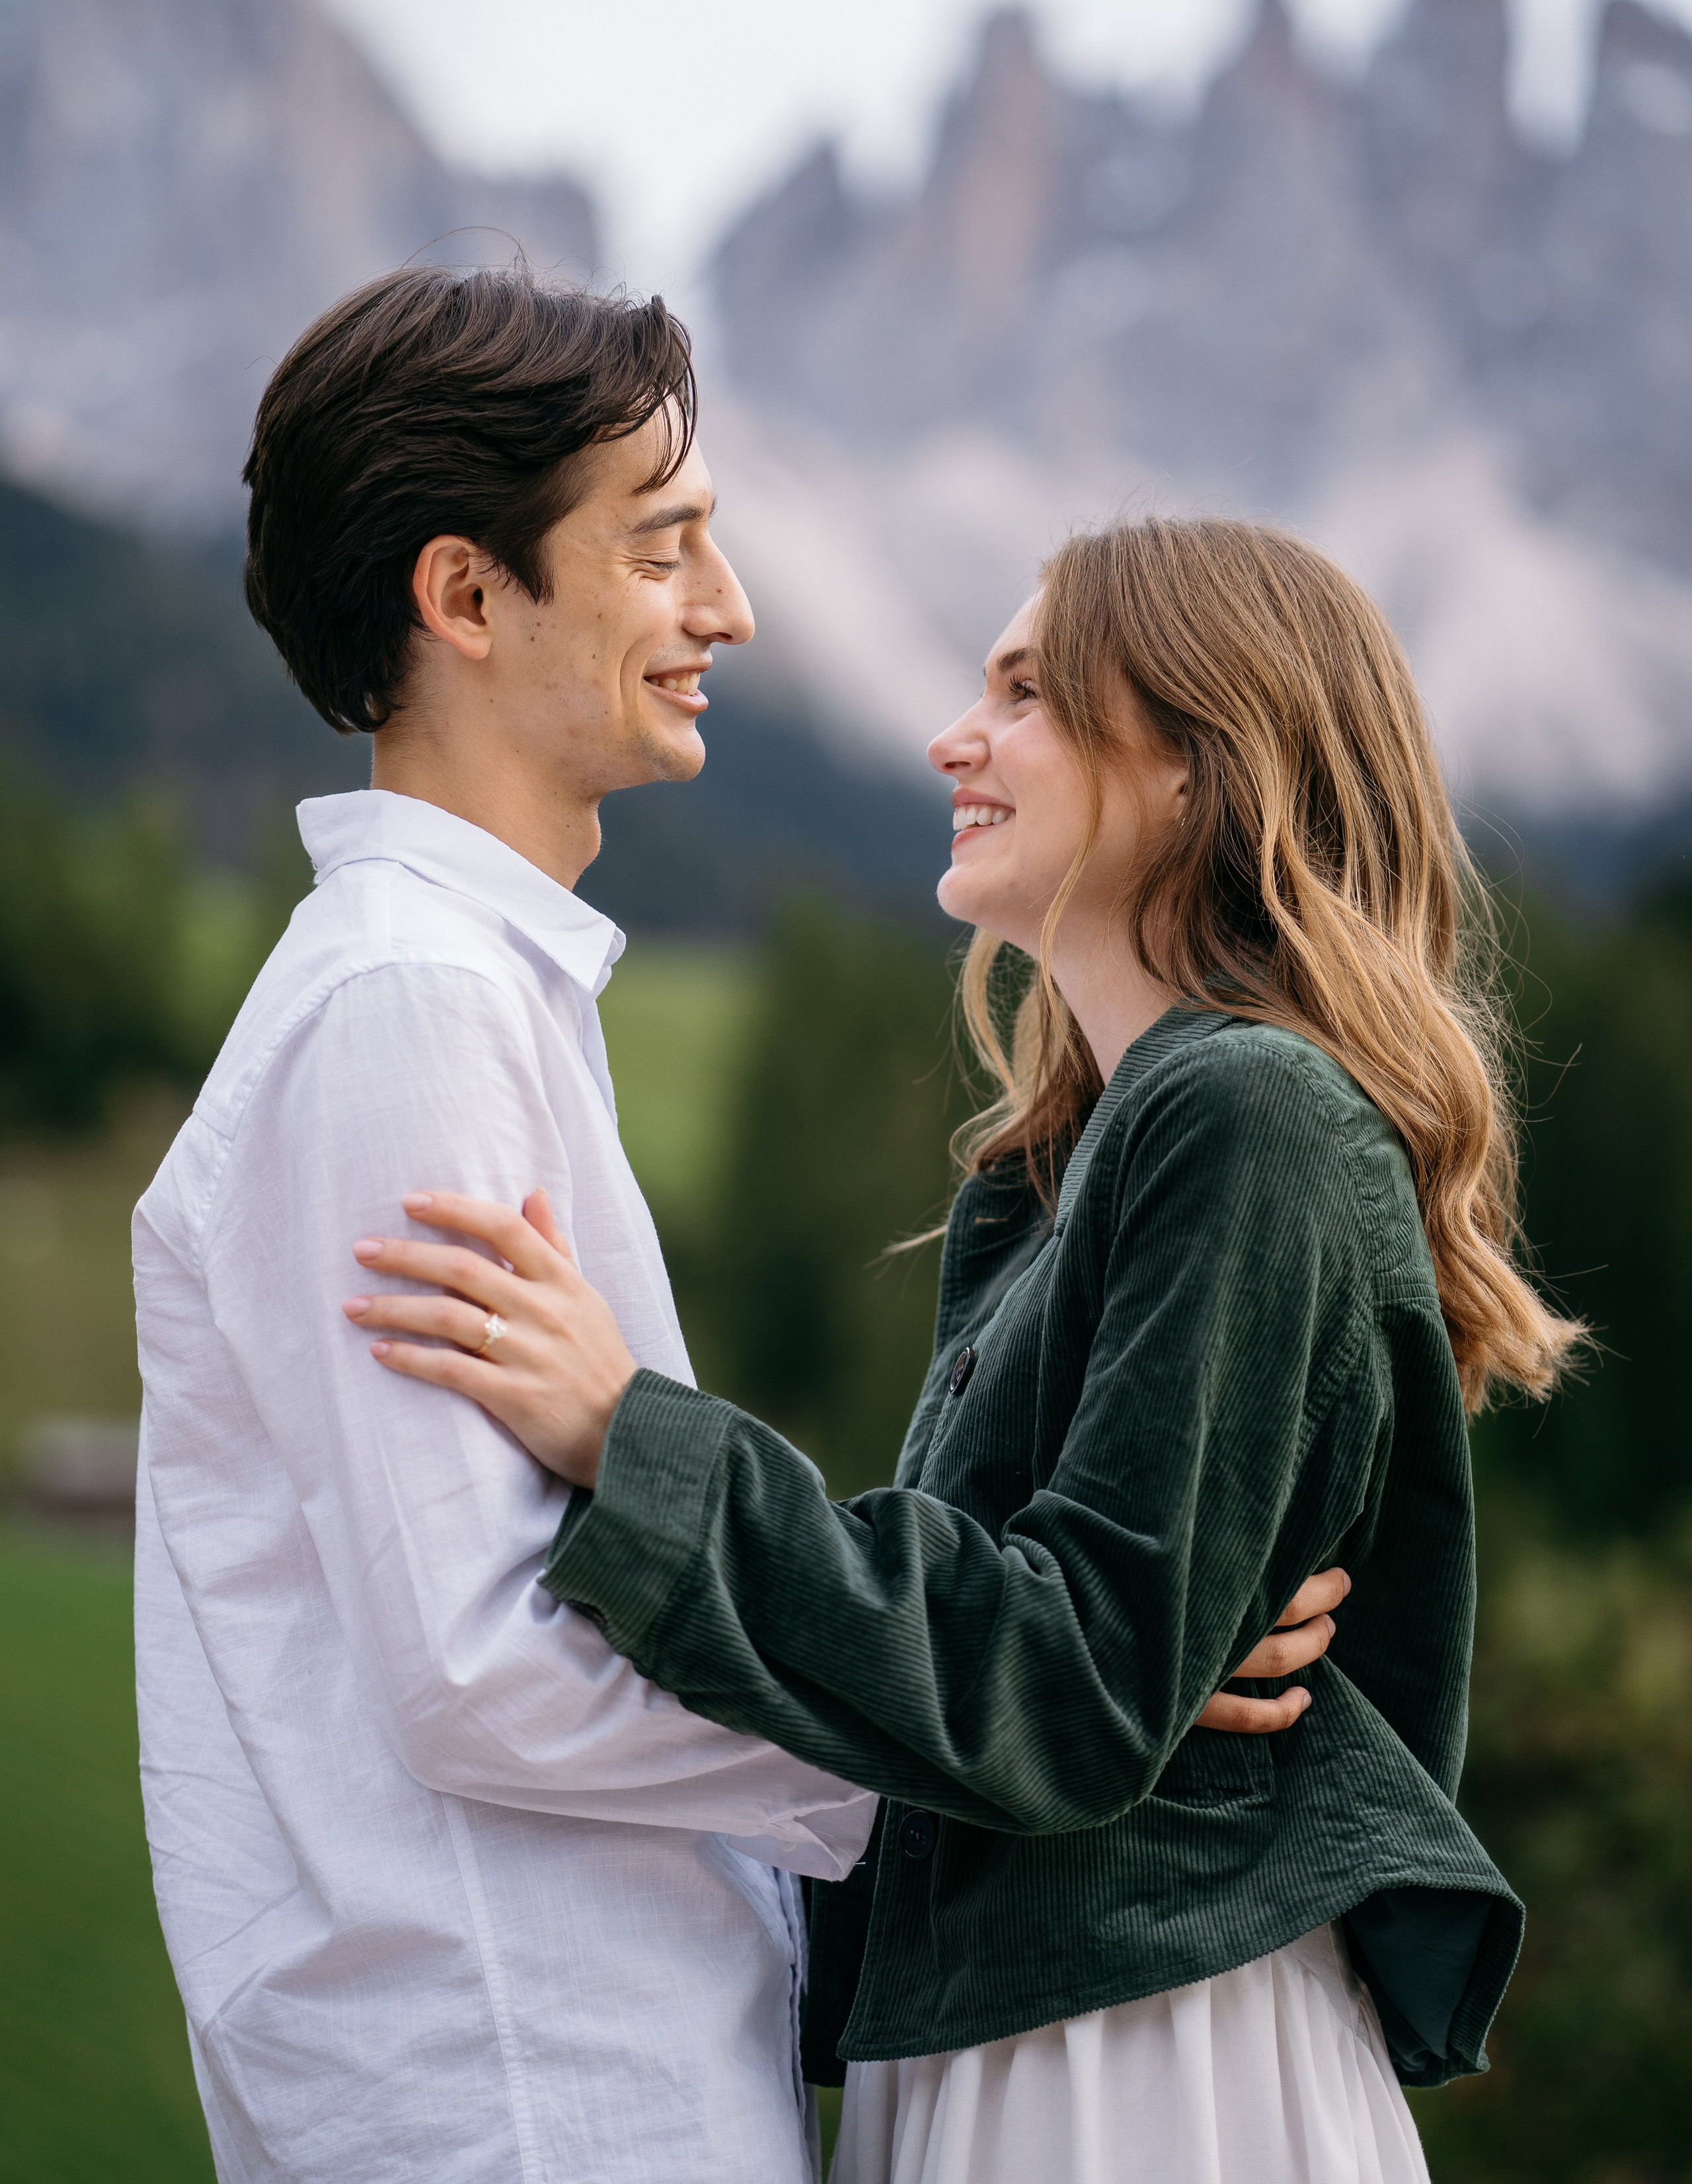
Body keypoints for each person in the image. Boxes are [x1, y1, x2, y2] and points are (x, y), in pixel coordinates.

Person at [132, 270, 1325, 2184]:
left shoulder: (477, 993)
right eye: (663, 544)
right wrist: (1035, 1748)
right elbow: (480, 1663)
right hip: (524, 2094)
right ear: (464, 597)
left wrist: (1036, 1713)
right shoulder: (405, 1005)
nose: (730, 608)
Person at [352, 514, 1580, 2184]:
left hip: (1142, 2055)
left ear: (1198, 764)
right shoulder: (1070, 1166)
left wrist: (629, 1437)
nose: (956, 735)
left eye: (1025, 691)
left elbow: (1066, 1688)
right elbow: (1059, 1664)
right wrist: (1113, 1660)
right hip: (1018, 2023)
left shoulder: (1252, 1116)